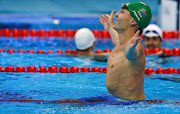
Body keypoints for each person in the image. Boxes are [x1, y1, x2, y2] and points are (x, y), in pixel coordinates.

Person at [100, 1, 152, 100]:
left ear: (133, 21)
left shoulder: (136, 47)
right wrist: (110, 27)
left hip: (130, 106)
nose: (116, 14)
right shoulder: (122, 43)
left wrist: (131, 48)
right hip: (117, 102)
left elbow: (130, 54)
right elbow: (118, 42)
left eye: (122, 12)